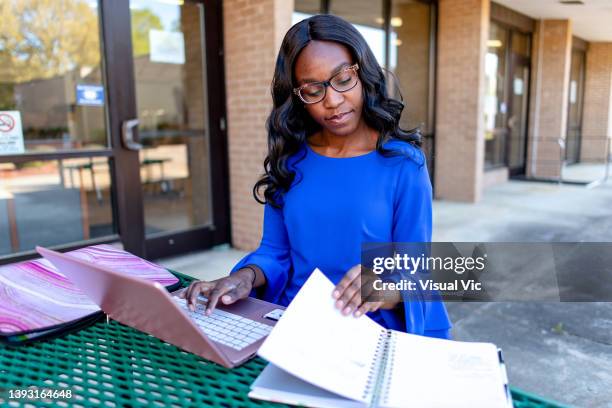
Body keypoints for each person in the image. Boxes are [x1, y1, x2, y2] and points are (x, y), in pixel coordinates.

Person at [180, 14, 452, 339]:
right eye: (312, 89)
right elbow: (274, 252)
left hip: (369, 329)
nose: (332, 101)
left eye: (343, 79)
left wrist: (384, 288)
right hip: (294, 326)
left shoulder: (404, 164)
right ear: (297, 96)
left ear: (363, 73)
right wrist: (247, 277)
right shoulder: (291, 161)